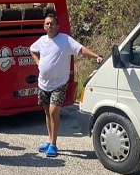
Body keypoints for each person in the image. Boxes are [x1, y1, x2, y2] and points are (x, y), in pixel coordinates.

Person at [30, 13, 103, 157]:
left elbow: (81, 49)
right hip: (43, 83)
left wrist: (96, 56)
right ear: (44, 26)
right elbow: (32, 49)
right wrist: (38, 63)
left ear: (58, 26)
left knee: (53, 112)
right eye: (47, 24)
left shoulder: (65, 40)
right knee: (47, 113)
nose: (49, 26)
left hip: (59, 84)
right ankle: (49, 140)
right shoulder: (42, 40)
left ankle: (54, 144)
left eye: (52, 23)